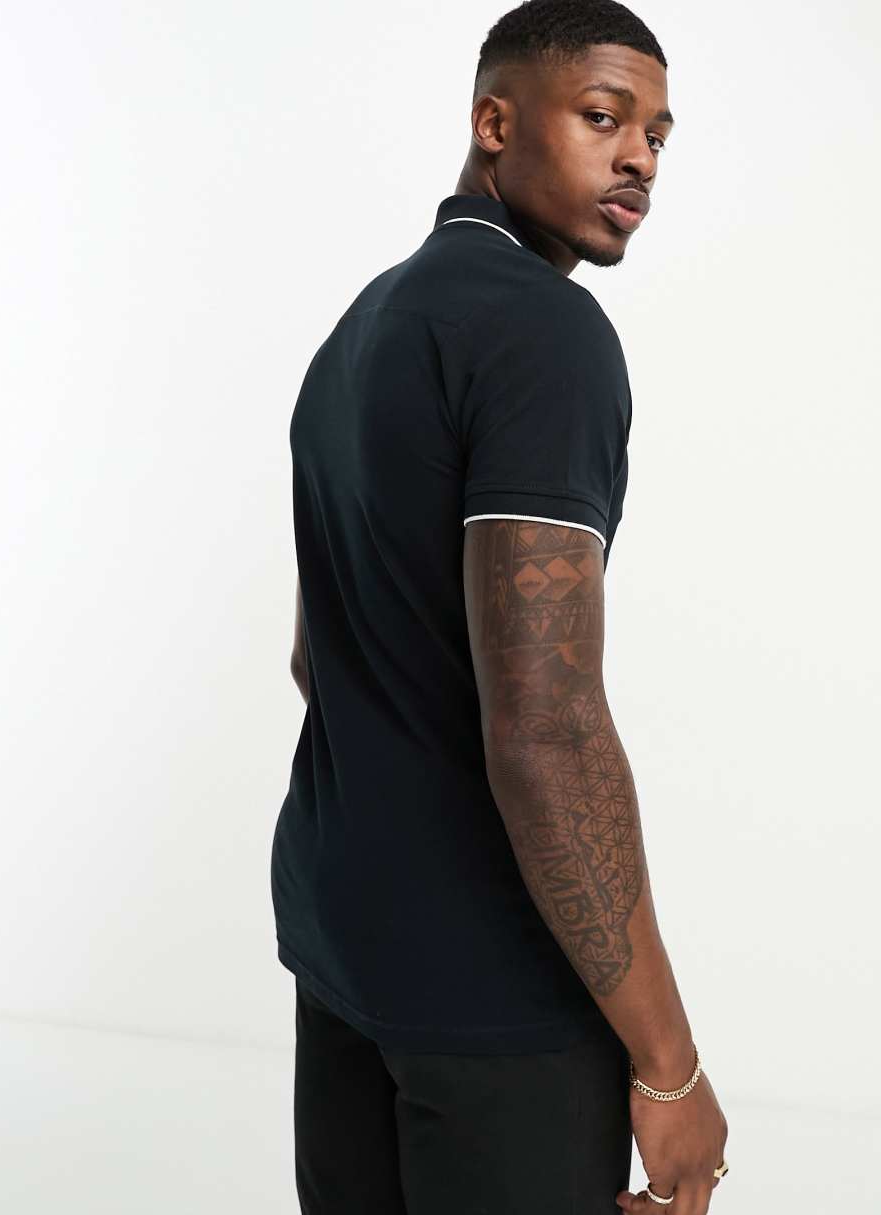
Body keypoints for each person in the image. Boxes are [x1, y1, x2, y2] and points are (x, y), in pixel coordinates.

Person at [270, 1, 729, 1210]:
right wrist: (671, 1067)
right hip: (494, 999)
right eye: (603, 117)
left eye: (658, 136)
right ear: (494, 122)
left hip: (344, 950)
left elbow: (317, 657)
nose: (639, 158)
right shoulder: (542, 331)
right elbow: (546, 730)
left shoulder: (363, 328)